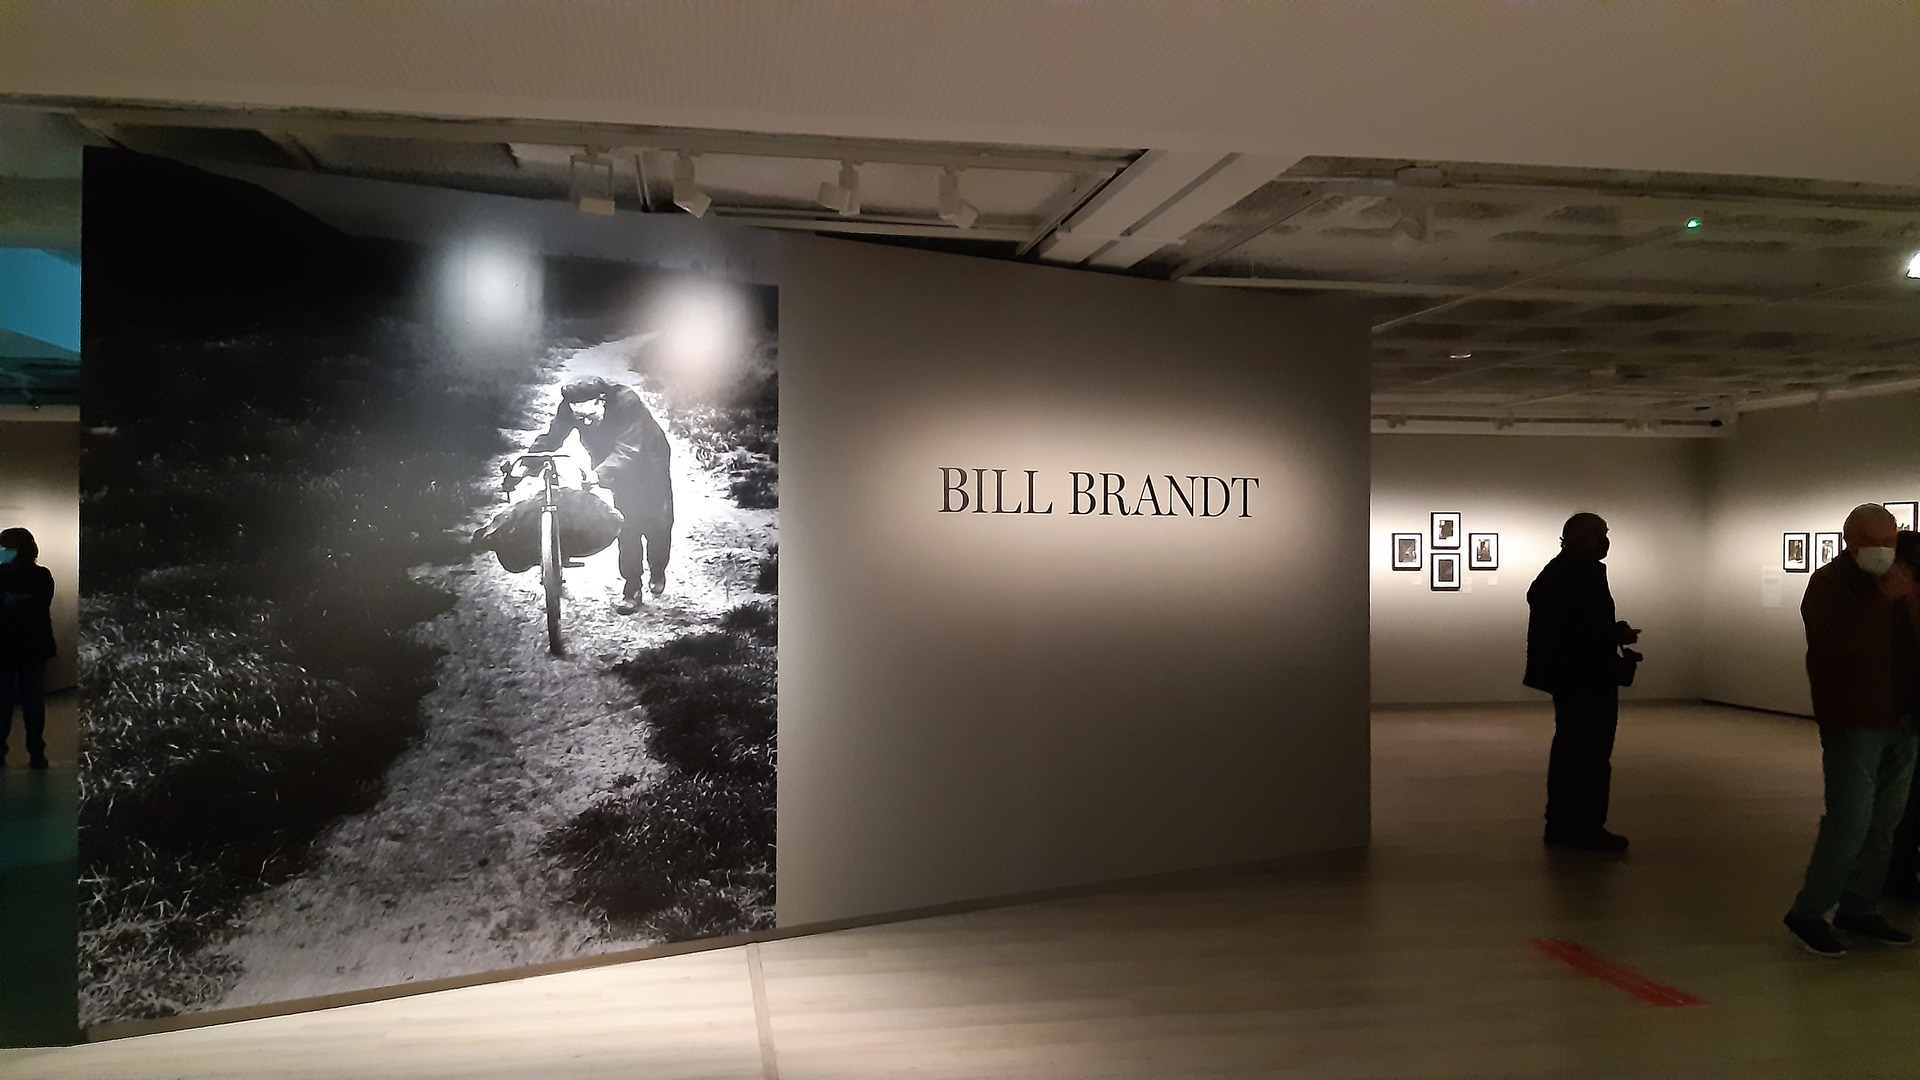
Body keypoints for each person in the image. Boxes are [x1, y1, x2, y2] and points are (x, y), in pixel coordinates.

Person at [1784, 504, 1919, 957]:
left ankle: (1860, 906)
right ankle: (1809, 912)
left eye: (1889, 541)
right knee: (1850, 822)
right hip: (1855, 720)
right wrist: (1882, 600)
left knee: (1885, 823)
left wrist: (1907, 600)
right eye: (1872, 542)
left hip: (1903, 718)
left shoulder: (1902, 579)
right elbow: (1835, 643)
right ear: (1850, 541)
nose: (1883, 550)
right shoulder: (1829, 583)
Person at [1524, 512, 1640, 852]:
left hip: (1574, 677)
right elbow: (1581, 631)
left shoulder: (1560, 572)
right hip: (1586, 678)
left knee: (1572, 751)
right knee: (1589, 754)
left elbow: (1577, 624)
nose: (1604, 540)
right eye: (1598, 534)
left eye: (1605, 533)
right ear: (1579, 537)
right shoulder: (1579, 573)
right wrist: (1614, 636)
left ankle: (1562, 824)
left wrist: (1613, 631)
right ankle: (1586, 827)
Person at [515, 377, 674, 614]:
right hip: (611, 461)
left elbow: (629, 450)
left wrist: (597, 474)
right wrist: (526, 463)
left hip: (648, 460)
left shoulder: (627, 403)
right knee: (627, 525)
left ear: (602, 401)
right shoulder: (570, 406)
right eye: (580, 419)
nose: (586, 423)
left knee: (658, 524)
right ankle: (632, 588)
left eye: (591, 416)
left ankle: (658, 568)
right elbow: (552, 438)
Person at [1882, 529, 1920, 902]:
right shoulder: (1897, 602)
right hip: (1906, 711)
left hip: (1907, 710)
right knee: (1904, 798)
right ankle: (1896, 871)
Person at [0, 527, 55, 770]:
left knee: (4, 701)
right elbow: (37, 605)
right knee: (32, 701)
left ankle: (2, 751)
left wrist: (10, 602)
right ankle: (36, 752)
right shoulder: (42, 575)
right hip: (35, 646)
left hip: (6, 646)